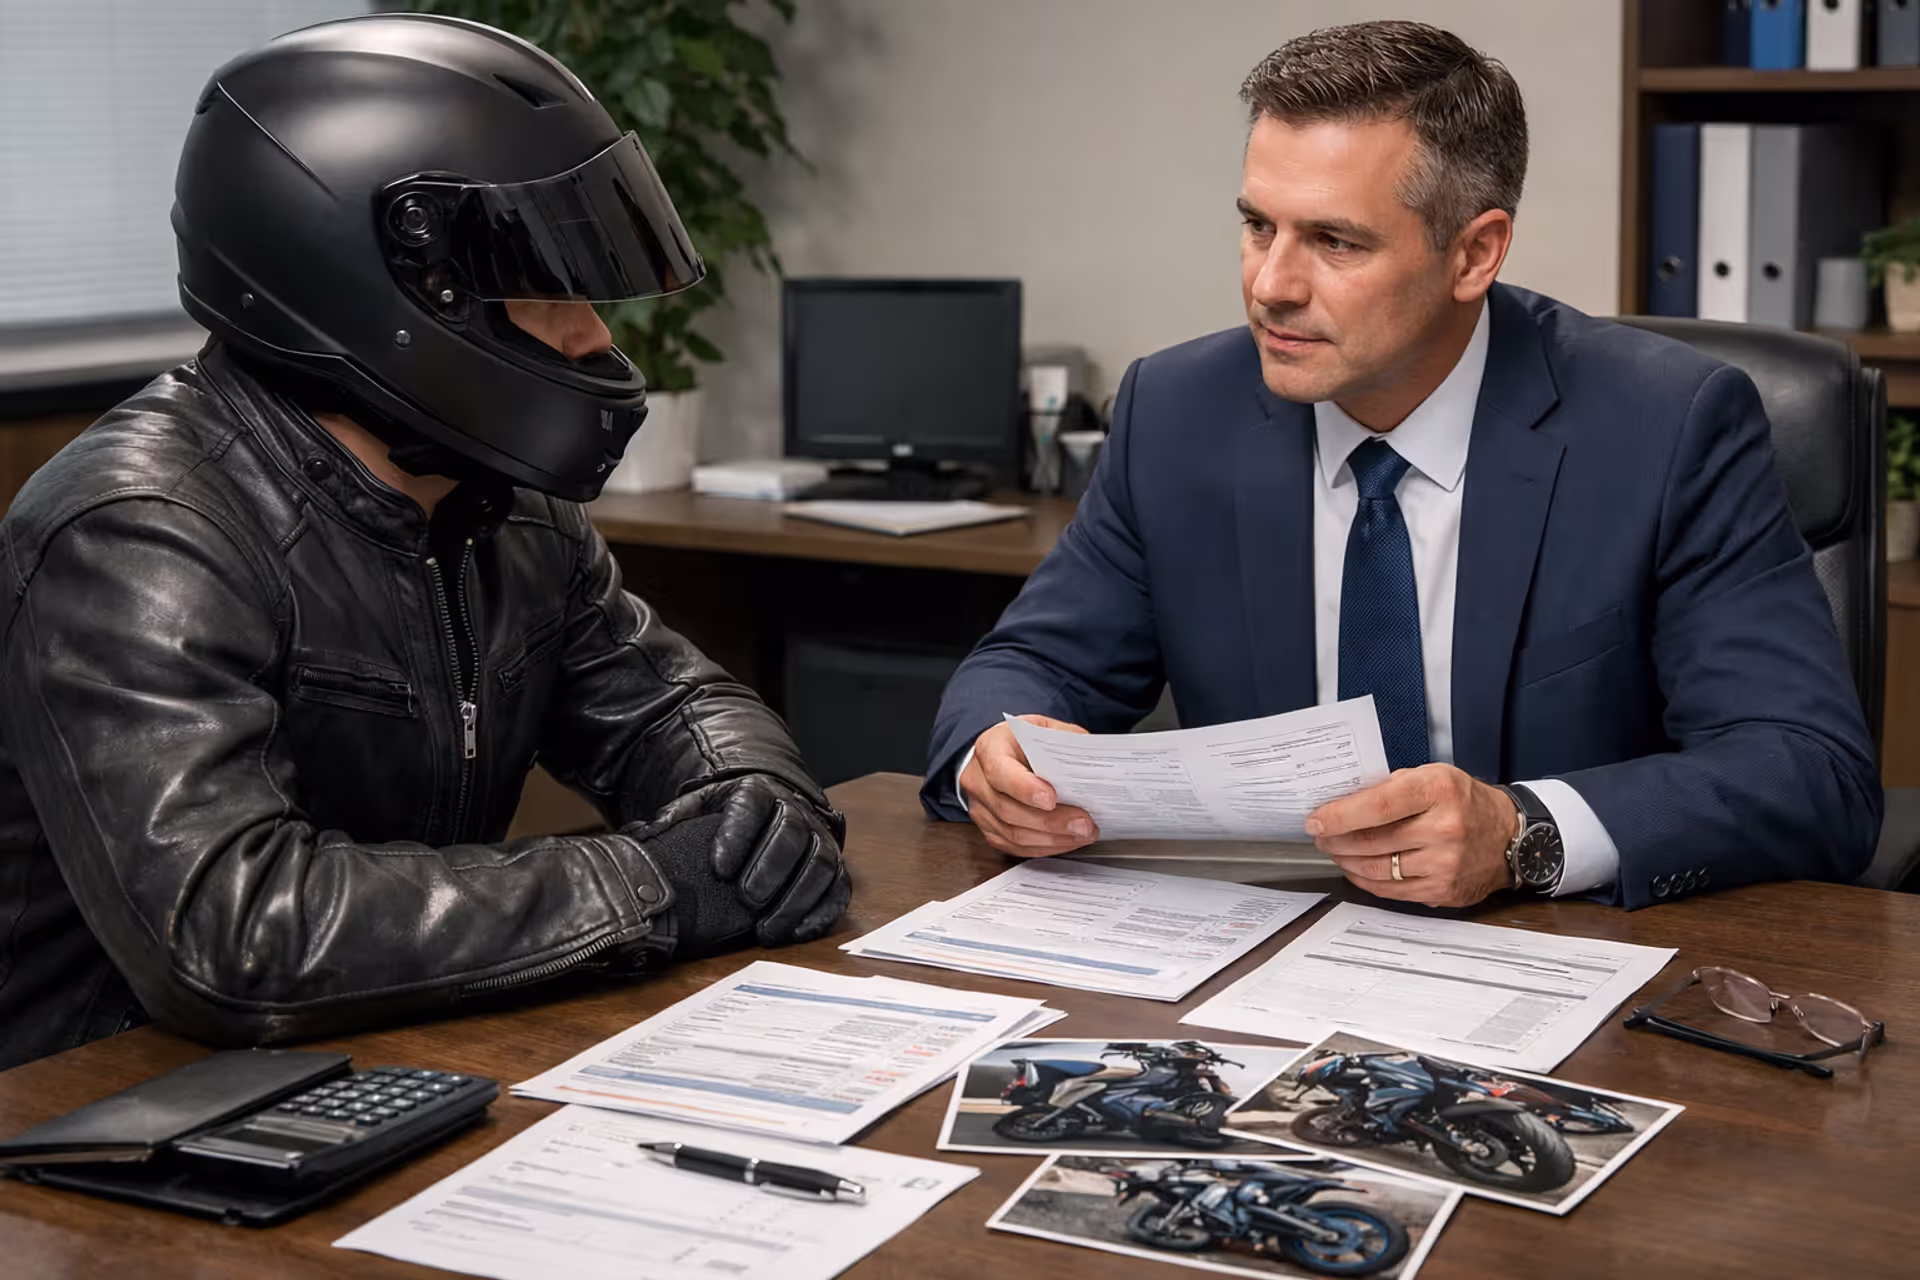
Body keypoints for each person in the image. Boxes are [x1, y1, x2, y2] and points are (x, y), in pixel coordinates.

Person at [0, 14, 849, 1072]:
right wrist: (652, 883)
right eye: (542, 290)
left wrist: (753, 798)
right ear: (373, 290)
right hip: (87, 1123)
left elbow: (670, 704)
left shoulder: (497, 499)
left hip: (373, 1057)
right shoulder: (139, 534)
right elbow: (239, 930)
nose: (594, 335)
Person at [923, 20, 1880, 910]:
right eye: (1260, 226)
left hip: (1555, 965)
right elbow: (1033, 664)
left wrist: (1522, 832)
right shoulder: (1177, 411)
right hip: (1260, 948)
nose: (1271, 286)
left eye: (1335, 241)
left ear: (1475, 254)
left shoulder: (1665, 427)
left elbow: (1807, 770)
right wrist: (993, 757)